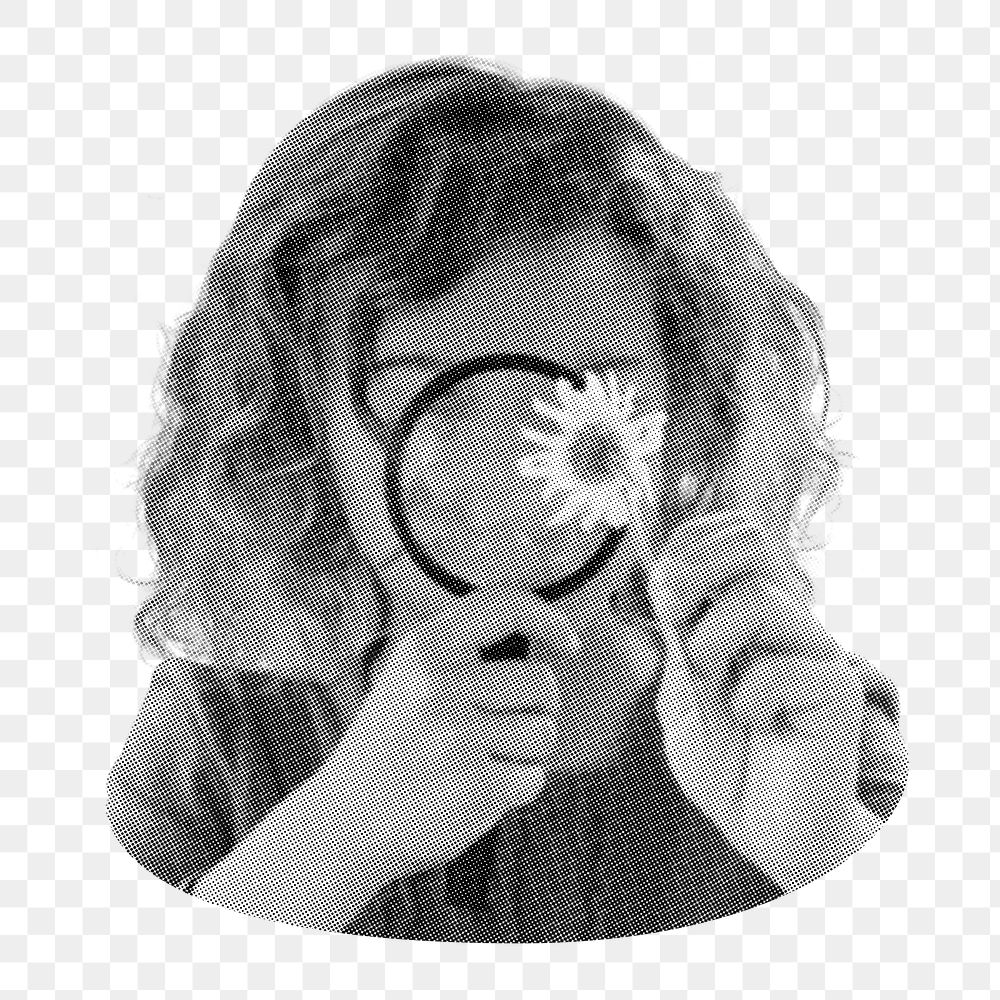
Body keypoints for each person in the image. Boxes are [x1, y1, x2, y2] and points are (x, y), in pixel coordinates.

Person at [106, 55, 908, 943]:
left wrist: (825, 853)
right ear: (304, 431)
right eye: (420, 393)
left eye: (592, 388)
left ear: (681, 413)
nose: (509, 473)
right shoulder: (222, 725)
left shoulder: (792, 713)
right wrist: (333, 838)